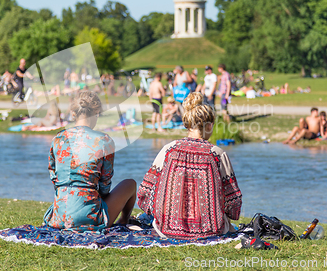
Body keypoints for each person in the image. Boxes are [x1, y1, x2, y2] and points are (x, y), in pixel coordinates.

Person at [137, 92, 242, 239]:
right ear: (210, 125)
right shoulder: (217, 154)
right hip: (211, 232)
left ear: (187, 124)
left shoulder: (169, 149)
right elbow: (234, 200)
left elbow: (145, 191)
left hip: (166, 230)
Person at [43, 91, 136, 231]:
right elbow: (105, 185)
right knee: (130, 183)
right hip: (88, 218)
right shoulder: (104, 141)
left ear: (73, 114)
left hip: (58, 216)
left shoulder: (58, 139)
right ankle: (123, 220)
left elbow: (54, 178)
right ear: (96, 113)